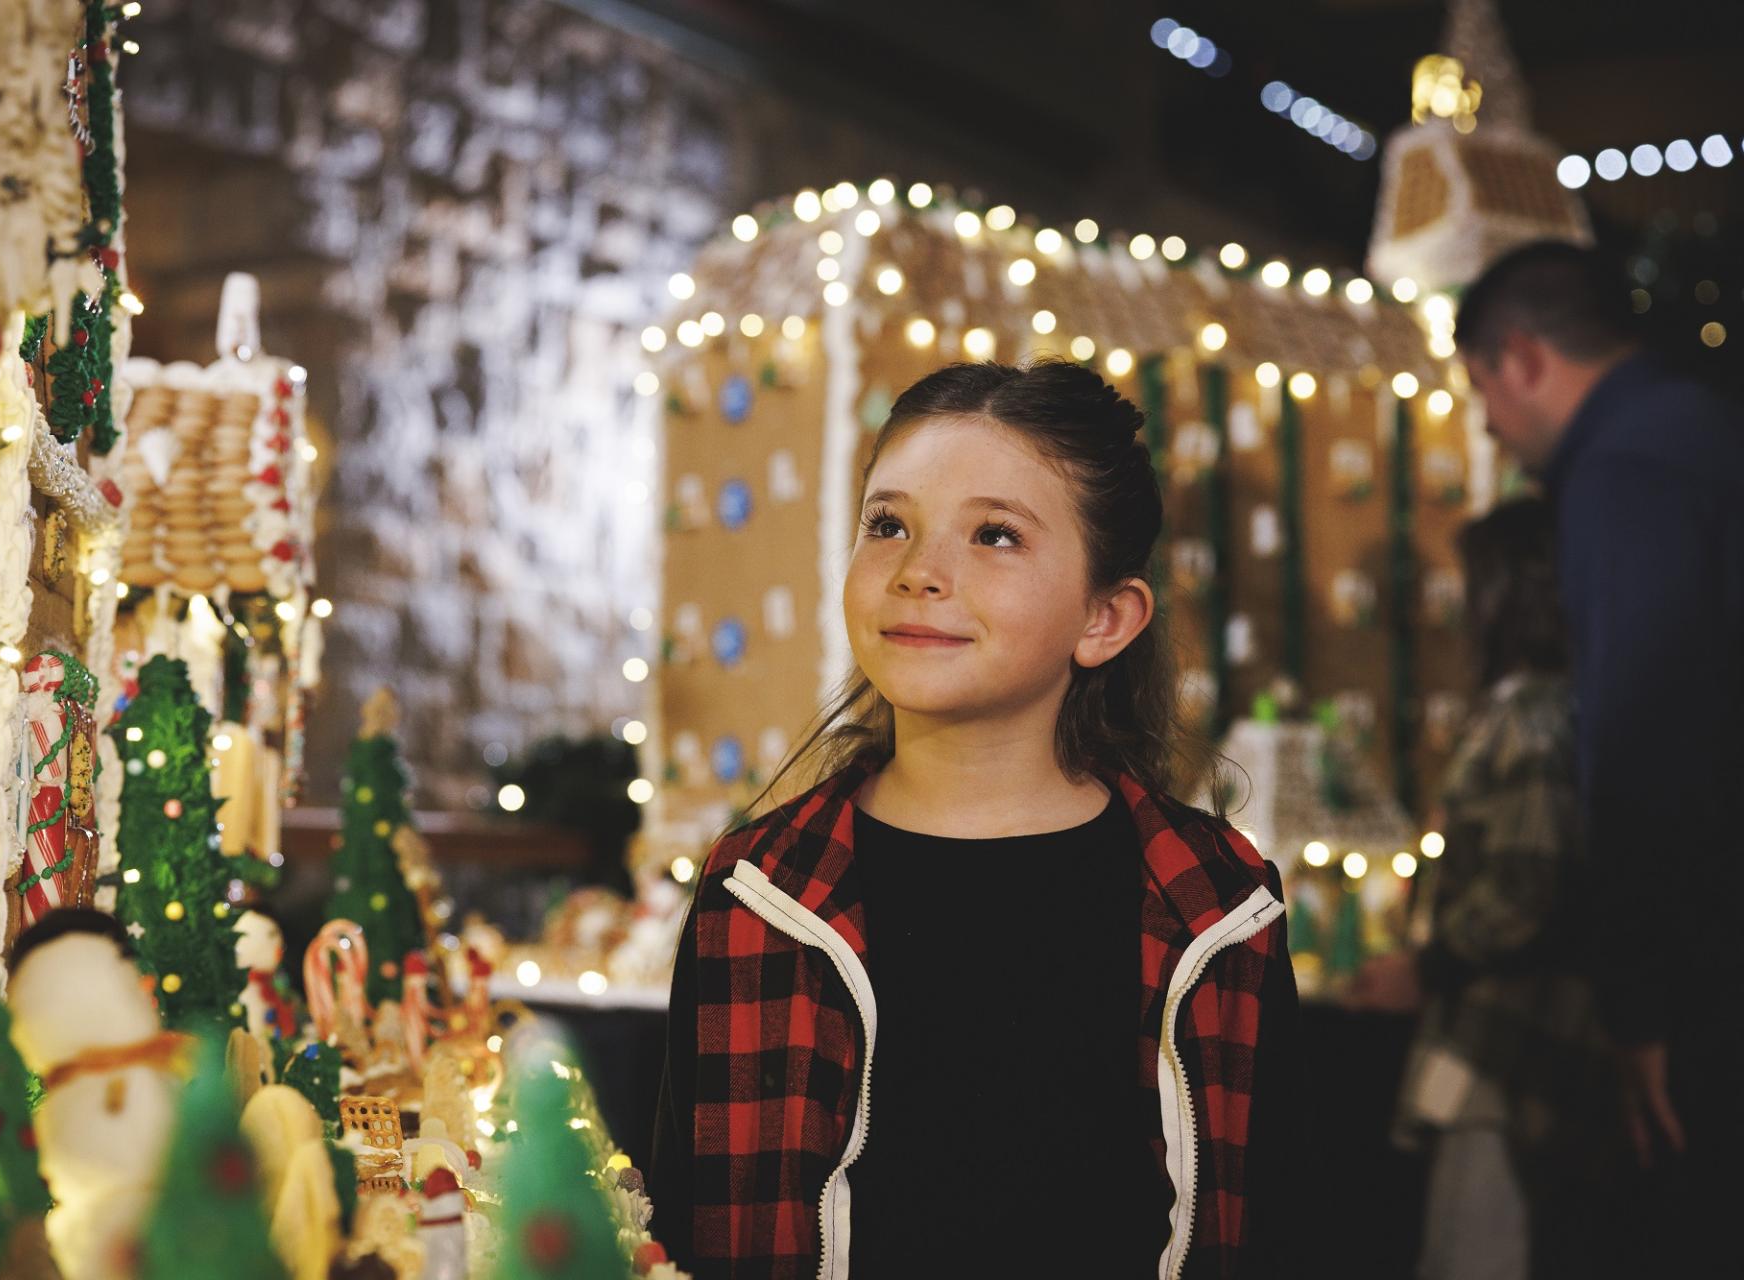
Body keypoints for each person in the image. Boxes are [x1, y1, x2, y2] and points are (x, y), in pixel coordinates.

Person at [650, 359, 1303, 1279]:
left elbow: (1272, 1226)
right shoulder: (758, 890)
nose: (919, 571)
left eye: (995, 535)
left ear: (1106, 618)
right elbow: (684, 1225)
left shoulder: (1220, 904)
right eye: (889, 525)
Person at [1454, 241, 1744, 1271]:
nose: (1487, 421)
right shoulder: (1699, 426)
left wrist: (1640, 1004)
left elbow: (1642, 743)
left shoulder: (1624, 469)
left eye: (1481, 385)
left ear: (1522, 359)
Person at [1353, 498, 1617, 1280]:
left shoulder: (1531, 720)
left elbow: (1528, 886)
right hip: (1508, 1053)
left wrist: (1426, 968)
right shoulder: (1544, 712)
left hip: (1507, 1057)